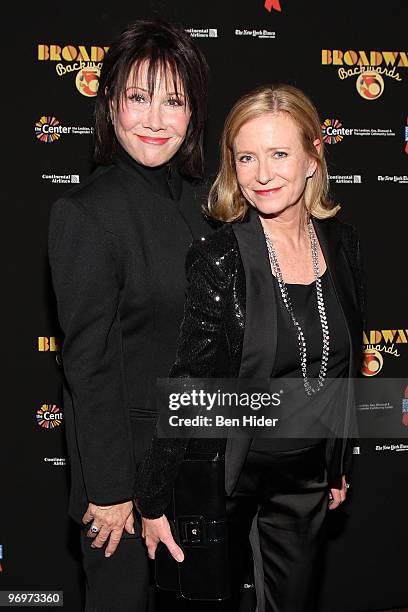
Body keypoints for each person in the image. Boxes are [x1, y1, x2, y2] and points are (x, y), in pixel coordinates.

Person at [135, 84, 365, 611]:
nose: (262, 174)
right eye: (246, 157)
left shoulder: (344, 246)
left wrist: (338, 462)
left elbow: (345, 369)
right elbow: (192, 379)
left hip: (304, 474)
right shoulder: (220, 256)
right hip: (227, 471)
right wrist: (154, 496)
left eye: (280, 154)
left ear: (313, 156)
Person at [47, 18, 211, 612]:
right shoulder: (86, 213)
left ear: (193, 114)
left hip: (199, 465)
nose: (155, 119)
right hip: (122, 480)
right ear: (111, 104)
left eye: (174, 100)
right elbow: (88, 366)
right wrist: (114, 491)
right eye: (139, 98)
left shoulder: (206, 204)